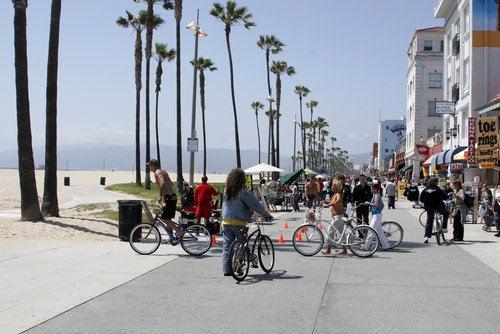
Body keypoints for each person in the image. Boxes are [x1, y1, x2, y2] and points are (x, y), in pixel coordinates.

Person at [222, 168, 272, 276]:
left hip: (226, 221)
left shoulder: (227, 190)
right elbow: (255, 205)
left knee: (227, 246)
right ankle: (238, 266)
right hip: (239, 222)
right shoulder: (243, 191)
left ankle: (227, 269)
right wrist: (266, 214)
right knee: (242, 244)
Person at [148, 159, 184, 239]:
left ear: (153, 166)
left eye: (149, 165)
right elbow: (170, 183)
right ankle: (171, 238)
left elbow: (162, 183)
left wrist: (160, 196)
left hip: (169, 197)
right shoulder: (163, 171)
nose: (149, 167)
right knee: (168, 218)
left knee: (163, 218)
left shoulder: (157, 172)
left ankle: (179, 231)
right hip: (172, 196)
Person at [361, 183, 391, 250]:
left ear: (375, 189)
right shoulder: (376, 195)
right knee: (380, 232)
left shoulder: (376, 195)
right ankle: (386, 245)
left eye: (371, 188)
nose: (370, 190)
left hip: (376, 216)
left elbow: (376, 205)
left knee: (371, 231)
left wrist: (368, 203)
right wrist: (379, 211)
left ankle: (366, 246)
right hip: (377, 215)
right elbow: (382, 205)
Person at [420, 177, 449, 243]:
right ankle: (444, 227)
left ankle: (426, 237)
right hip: (438, 207)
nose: (437, 183)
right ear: (435, 182)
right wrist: (449, 196)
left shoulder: (425, 189)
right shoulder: (437, 189)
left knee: (429, 221)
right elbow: (444, 197)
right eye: (436, 181)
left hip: (429, 208)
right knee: (446, 213)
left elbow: (421, 199)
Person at [321, 181, 346, 255]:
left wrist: (331, 203)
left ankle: (328, 249)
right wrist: (325, 201)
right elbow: (331, 201)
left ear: (336, 187)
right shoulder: (335, 194)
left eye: (332, 186)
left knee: (330, 231)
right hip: (337, 216)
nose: (331, 187)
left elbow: (338, 201)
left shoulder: (339, 194)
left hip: (338, 217)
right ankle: (344, 250)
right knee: (341, 234)